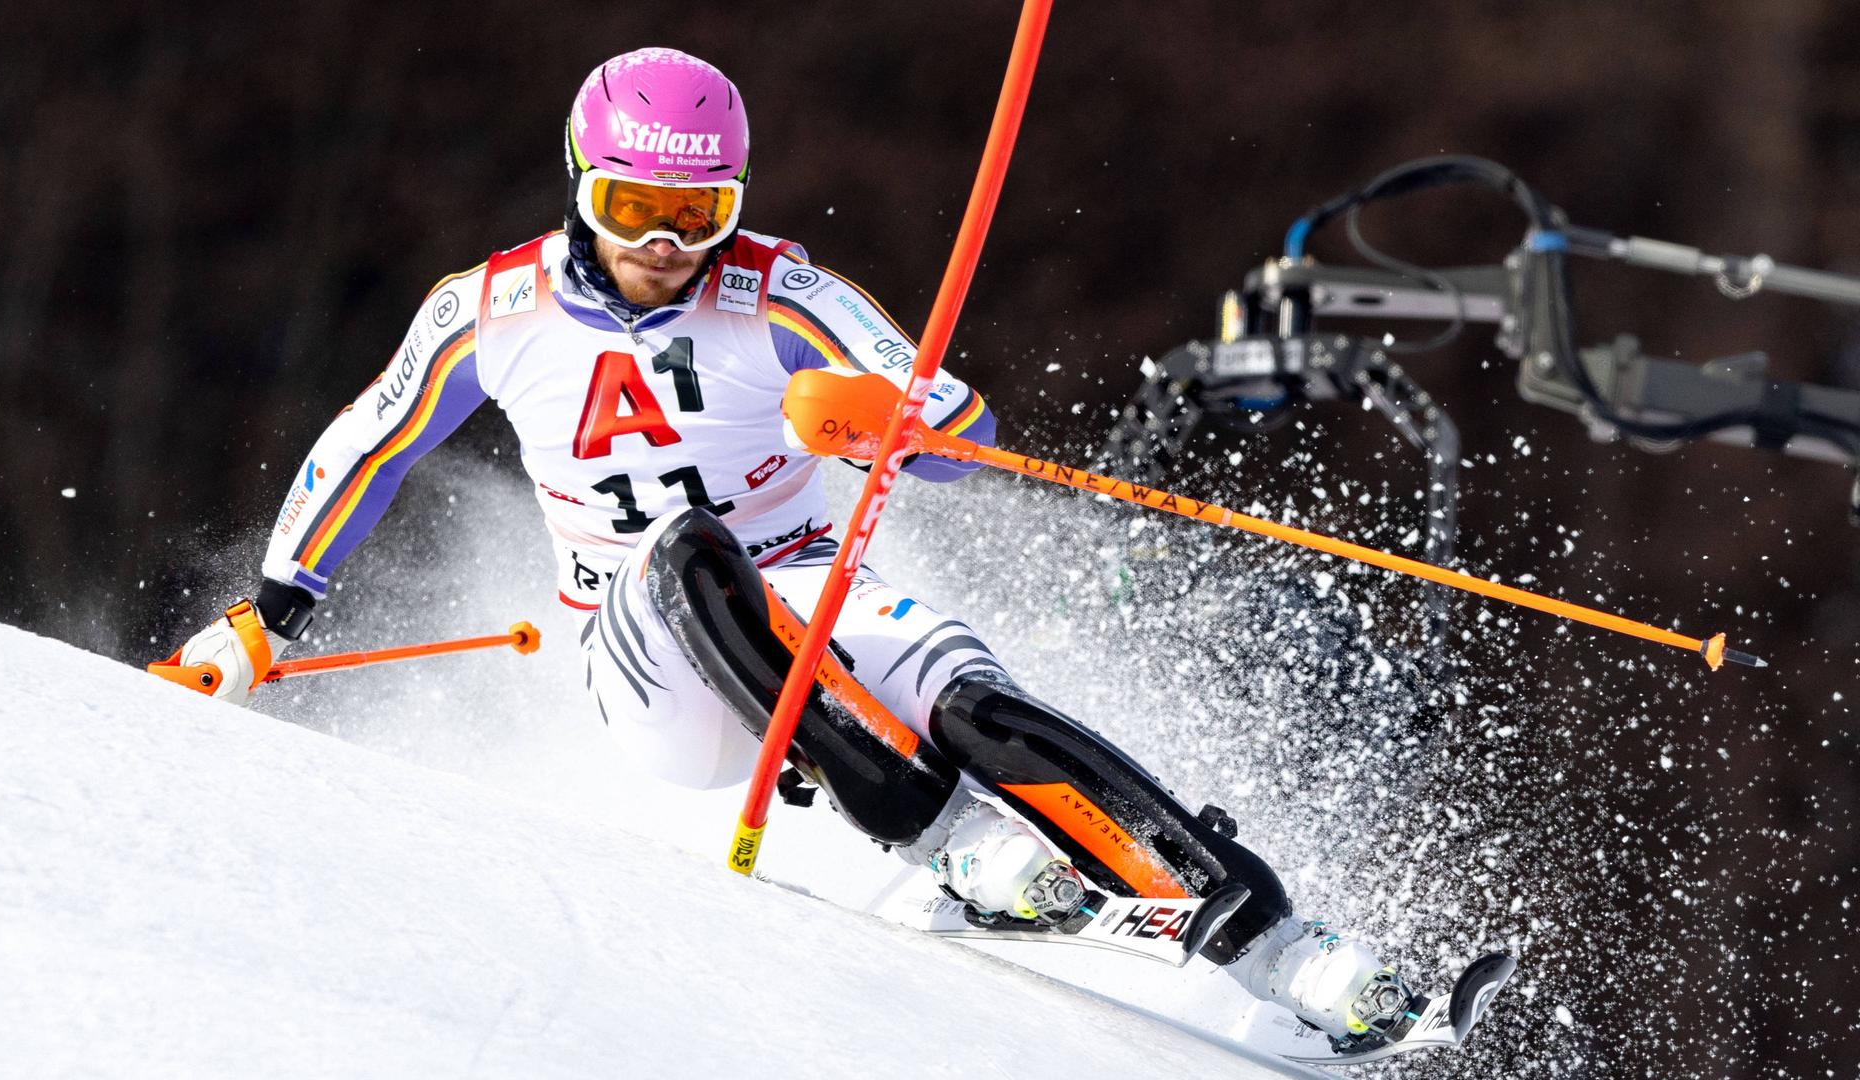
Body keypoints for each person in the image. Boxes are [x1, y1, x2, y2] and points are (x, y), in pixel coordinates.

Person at [170, 47, 1416, 1053]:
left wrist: (893, 423)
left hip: (820, 584)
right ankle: (939, 839)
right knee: (687, 548)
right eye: (635, 210)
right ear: (578, 186)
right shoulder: (492, 309)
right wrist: (269, 616)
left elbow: (952, 417)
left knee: (974, 703)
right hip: (648, 655)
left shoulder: (781, 289)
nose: (664, 242)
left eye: (696, 213)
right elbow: (367, 442)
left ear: (737, 199)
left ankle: (1279, 953)